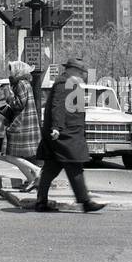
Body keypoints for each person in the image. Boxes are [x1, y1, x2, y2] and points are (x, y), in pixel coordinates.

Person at [34, 57, 106, 212]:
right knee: (74, 165)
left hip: (68, 133)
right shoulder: (64, 82)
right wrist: (56, 128)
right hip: (65, 134)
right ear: (72, 70)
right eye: (81, 72)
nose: (83, 75)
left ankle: (41, 201)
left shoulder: (71, 83)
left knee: (52, 168)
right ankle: (85, 202)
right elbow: (57, 106)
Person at [0, 60, 42, 192]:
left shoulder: (21, 84)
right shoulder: (23, 83)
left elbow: (19, 104)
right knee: (15, 155)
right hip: (25, 123)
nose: (9, 72)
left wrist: (8, 96)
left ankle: (36, 171)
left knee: (10, 155)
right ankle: (31, 180)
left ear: (18, 71)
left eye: (11, 69)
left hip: (21, 124)